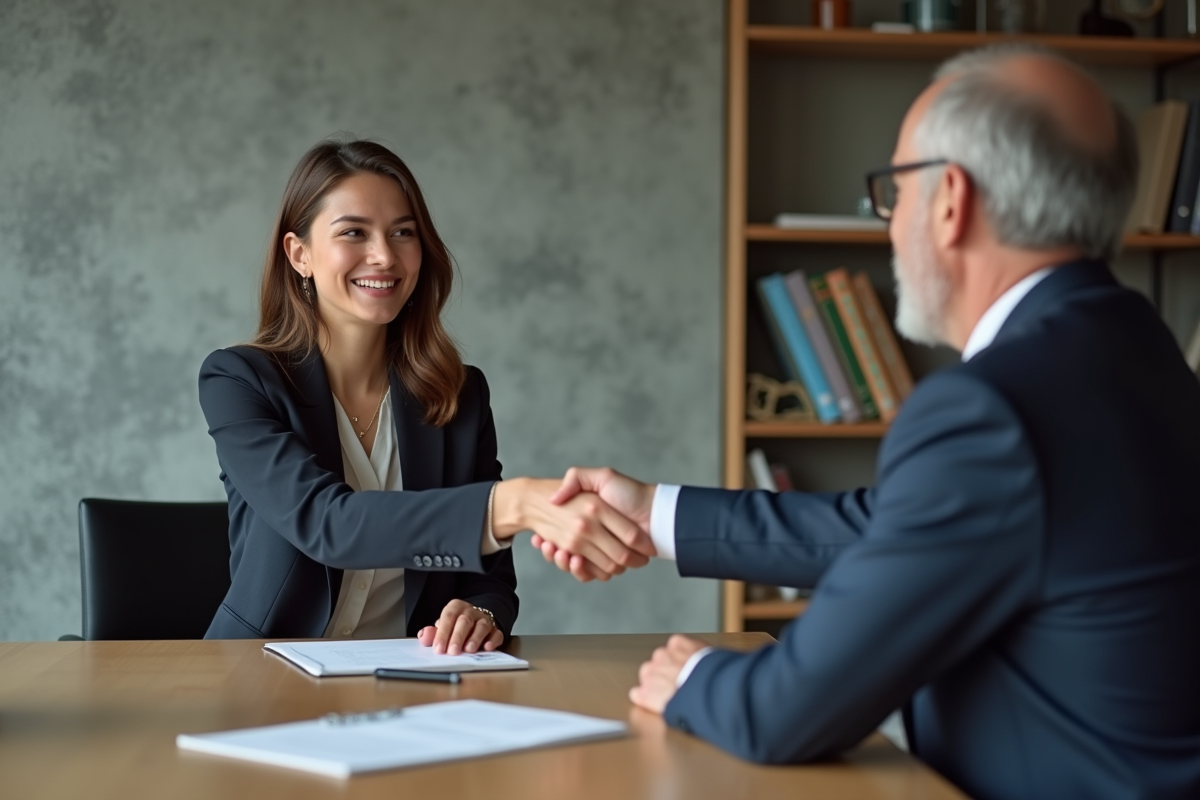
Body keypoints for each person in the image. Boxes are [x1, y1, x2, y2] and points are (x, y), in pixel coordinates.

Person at [534, 46, 1200, 800]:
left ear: (950, 200)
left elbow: (783, 712)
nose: (888, 223)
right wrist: (654, 516)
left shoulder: (993, 408)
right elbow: (904, 531)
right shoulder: (1135, 345)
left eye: (894, 190)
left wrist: (692, 675)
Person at [199, 140, 653, 651]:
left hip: (411, 680)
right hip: (262, 678)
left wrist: (481, 611)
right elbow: (329, 525)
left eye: (403, 233)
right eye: (354, 232)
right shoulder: (239, 380)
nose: (385, 256)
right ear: (299, 254)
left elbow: (491, 577)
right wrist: (514, 503)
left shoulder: (461, 393)